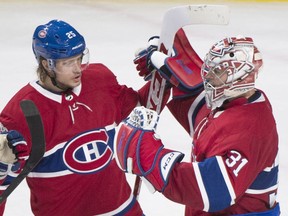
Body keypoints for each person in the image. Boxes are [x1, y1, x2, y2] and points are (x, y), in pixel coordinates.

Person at [0, 19, 169, 215]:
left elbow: (142, 109)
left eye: (79, 58)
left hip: (123, 209)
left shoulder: (99, 79)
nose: (78, 68)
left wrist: (163, 77)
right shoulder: (22, 113)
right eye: (68, 62)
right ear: (46, 64)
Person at [114, 29, 280, 215]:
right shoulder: (235, 104)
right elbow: (202, 113)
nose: (208, 78)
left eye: (217, 73)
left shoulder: (250, 128)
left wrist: (149, 158)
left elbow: (212, 190)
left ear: (239, 78)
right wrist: (172, 69)